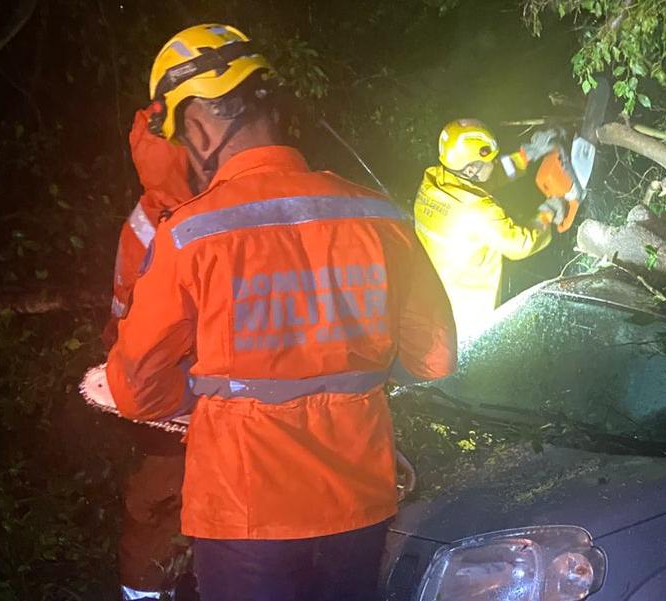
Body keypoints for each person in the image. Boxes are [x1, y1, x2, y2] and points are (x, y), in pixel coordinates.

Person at [106, 23, 456, 601]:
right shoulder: (381, 216)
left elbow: (136, 389)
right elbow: (436, 358)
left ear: (195, 126)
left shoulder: (192, 234)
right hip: (359, 502)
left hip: (245, 514)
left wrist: (199, 393)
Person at [105, 105, 195, 601]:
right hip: (223, 390)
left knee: (152, 504)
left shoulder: (143, 219)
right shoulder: (231, 207)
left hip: (155, 390)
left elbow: (122, 302)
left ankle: (142, 593)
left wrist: (116, 356)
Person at [414, 119, 564, 339]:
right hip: (467, 313)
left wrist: (526, 155)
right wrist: (547, 212)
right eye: (490, 161)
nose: (494, 164)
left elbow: (483, 180)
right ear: (472, 168)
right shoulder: (478, 211)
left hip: (431, 301)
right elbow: (520, 245)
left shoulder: (433, 181)